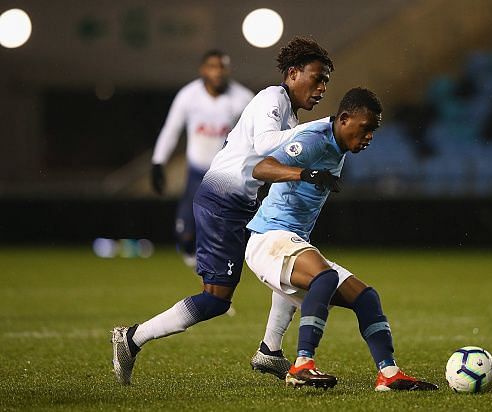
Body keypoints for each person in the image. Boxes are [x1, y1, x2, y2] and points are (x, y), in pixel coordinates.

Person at [112, 37, 334, 385]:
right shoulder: (271, 98)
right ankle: (131, 338)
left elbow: (269, 158)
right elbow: (263, 145)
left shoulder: (286, 111)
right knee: (216, 300)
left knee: (286, 267)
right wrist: (323, 126)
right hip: (221, 204)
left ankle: (270, 351)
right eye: (316, 78)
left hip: (242, 204)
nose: (321, 88)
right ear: (292, 73)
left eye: (326, 82)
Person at [245, 87, 439, 391]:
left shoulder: (338, 147)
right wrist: (305, 174)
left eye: (373, 130)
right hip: (268, 239)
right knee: (324, 278)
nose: (369, 137)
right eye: (366, 128)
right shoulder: (315, 140)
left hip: (290, 242)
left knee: (366, 298)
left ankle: (389, 374)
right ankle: (302, 365)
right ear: (345, 119)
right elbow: (261, 167)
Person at [150, 49, 254, 266]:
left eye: (222, 67)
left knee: (220, 235)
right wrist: (158, 162)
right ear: (203, 70)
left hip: (226, 176)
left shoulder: (243, 98)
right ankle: (204, 272)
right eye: (213, 67)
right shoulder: (188, 96)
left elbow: (257, 137)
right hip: (196, 173)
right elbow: (171, 129)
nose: (218, 72)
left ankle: (215, 283)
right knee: (185, 235)